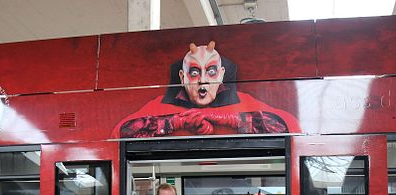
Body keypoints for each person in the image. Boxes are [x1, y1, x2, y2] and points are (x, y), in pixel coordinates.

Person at [113, 41, 299, 138]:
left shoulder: (244, 101)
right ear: (182, 76)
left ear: (221, 74)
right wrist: (176, 123)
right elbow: (121, 133)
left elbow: (289, 127)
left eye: (210, 71)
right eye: (194, 72)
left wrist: (231, 119)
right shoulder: (160, 106)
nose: (203, 80)